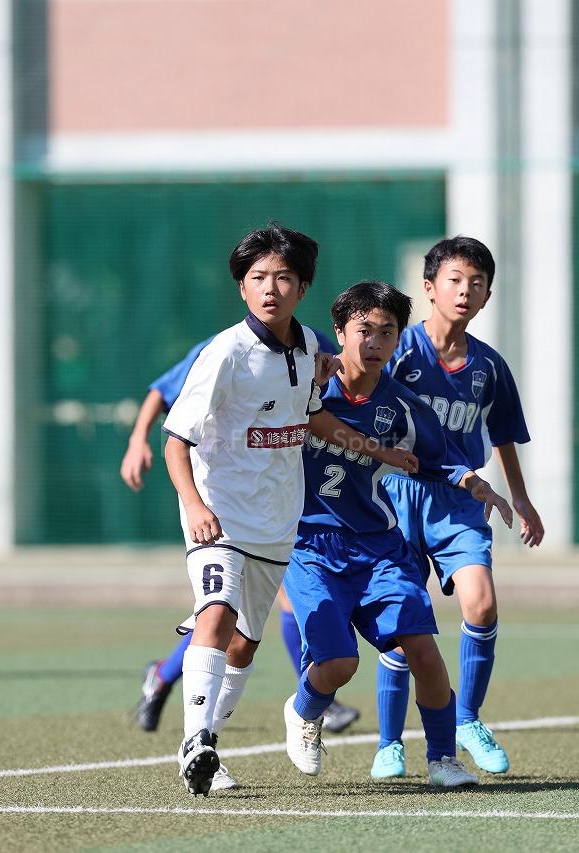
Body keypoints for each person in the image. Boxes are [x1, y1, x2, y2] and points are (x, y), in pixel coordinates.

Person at [162, 223, 419, 797]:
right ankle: (195, 743)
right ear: (242, 287)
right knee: (216, 614)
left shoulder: (308, 349)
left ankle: (208, 747)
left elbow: (312, 417)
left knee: (244, 645)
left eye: (282, 277)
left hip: (278, 522)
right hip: (220, 514)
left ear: (303, 287)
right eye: (257, 277)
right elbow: (175, 441)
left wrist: (376, 450)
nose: (269, 288)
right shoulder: (225, 353)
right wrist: (195, 505)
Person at [282, 280, 512, 787]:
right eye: (364, 330)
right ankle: (303, 710)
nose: (375, 342)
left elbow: (440, 459)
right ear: (340, 331)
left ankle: (443, 760)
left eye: (387, 332)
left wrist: (476, 484)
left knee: (422, 651)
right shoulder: (304, 391)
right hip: (310, 545)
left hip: (378, 547)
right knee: (339, 664)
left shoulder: (404, 406)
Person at [124, 332, 361, 742]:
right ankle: (311, 698)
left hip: (288, 496)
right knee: (226, 610)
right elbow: (162, 392)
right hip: (232, 503)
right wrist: (137, 439)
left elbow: (324, 407)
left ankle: (165, 677)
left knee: (239, 623)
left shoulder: (313, 344)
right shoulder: (224, 350)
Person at [373, 236, 544, 780]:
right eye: (454, 280)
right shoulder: (398, 350)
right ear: (429, 288)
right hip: (397, 495)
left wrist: (521, 497)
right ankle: (388, 744)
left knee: (482, 603)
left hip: (461, 501)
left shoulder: (489, 367)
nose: (465, 290)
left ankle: (467, 719)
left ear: (488, 295)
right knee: (404, 622)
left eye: (477, 283)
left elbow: (504, 433)